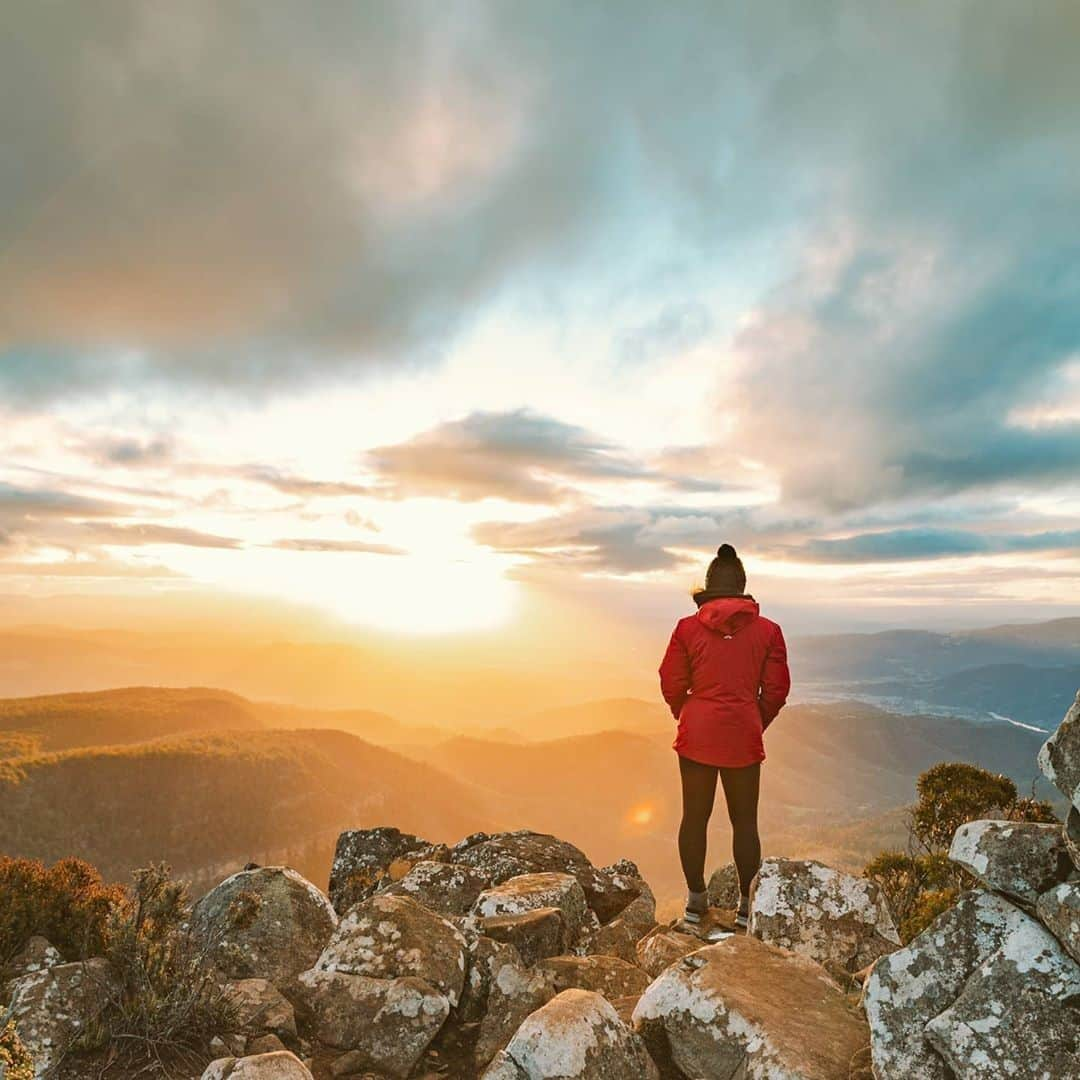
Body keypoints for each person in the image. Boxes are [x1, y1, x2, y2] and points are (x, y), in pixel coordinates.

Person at [658, 543, 790, 928]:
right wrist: (752, 719)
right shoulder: (769, 631)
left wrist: (686, 712)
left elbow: (671, 681)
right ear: (742, 588)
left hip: (696, 736)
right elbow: (777, 690)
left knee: (694, 818)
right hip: (743, 738)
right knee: (745, 822)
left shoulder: (686, 628)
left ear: (710, 588)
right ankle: (746, 909)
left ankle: (696, 903)